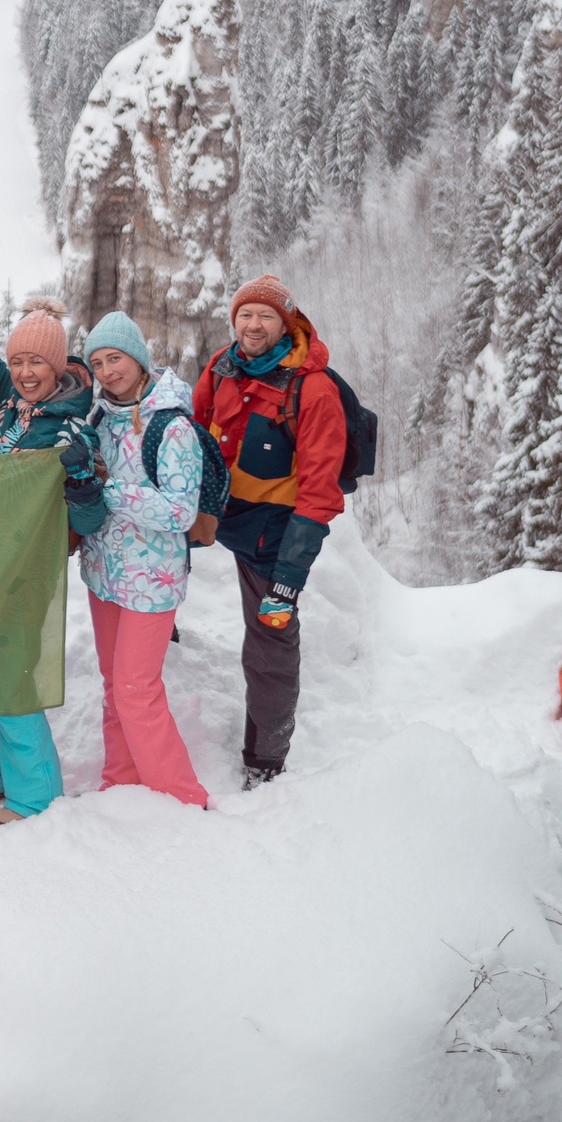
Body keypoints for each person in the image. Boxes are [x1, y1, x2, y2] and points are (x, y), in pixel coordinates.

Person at [0, 207, 104, 823]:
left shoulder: (71, 428)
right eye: (19, 363)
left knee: (9, 674)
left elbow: (88, 524)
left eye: (39, 363)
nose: (27, 372)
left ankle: (35, 796)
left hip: (27, 571)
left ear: (59, 365)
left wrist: (83, 478)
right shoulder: (10, 404)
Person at [191, 275, 346, 787]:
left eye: (265, 316)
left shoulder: (313, 390)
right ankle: (160, 641)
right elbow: (192, 430)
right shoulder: (222, 366)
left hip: (272, 538)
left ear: (286, 324)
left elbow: (320, 494)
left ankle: (265, 760)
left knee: (271, 642)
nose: (252, 324)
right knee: (149, 568)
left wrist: (288, 577)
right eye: (245, 314)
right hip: (219, 514)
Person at [78, 311, 226, 810]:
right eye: (97, 362)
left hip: (152, 580)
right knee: (114, 686)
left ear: (138, 358)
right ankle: (119, 782)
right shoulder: (101, 417)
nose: (106, 370)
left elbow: (180, 512)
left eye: (114, 358)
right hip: (104, 574)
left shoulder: (171, 425)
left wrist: (108, 489)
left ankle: (181, 798)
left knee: (137, 689)